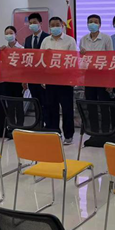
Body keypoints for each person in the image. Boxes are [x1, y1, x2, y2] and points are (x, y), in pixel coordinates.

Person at [41, 17, 77, 145]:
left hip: (65, 81)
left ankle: (68, 135)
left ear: (62, 26)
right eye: (52, 25)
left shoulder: (70, 40)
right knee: (51, 108)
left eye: (57, 24)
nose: (55, 27)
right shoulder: (46, 41)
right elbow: (42, 59)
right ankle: (54, 133)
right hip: (50, 80)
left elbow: (73, 60)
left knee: (67, 109)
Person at [79, 14, 113, 132]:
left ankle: (105, 131)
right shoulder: (83, 39)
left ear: (100, 24)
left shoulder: (106, 38)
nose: (93, 24)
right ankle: (94, 131)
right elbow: (83, 59)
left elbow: (110, 58)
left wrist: (109, 80)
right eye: (90, 22)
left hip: (103, 74)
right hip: (89, 75)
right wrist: (81, 55)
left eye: (95, 22)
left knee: (104, 104)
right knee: (91, 103)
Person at [24, 13, 50, 127]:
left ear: (40, 23)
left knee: (46, 102)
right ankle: (38, 124)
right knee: (36, 102)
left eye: (34, 22)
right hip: (32, 77)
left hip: (45, 77)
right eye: (30, 23)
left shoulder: (47, 38)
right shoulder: (28, 39)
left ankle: (47, 124)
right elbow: (26, 58)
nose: (32, 25)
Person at [2, 25, 25, 134]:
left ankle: (20, 127)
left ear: (16, 34)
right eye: (7, 33)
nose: (9, 35)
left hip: (18, 81)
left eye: (11, 33)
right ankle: (11, 127)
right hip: (7, 81)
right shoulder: (4, 50)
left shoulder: (21, 49)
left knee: (19, 105)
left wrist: (24, 81)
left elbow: (24, 67)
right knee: (9, 105)